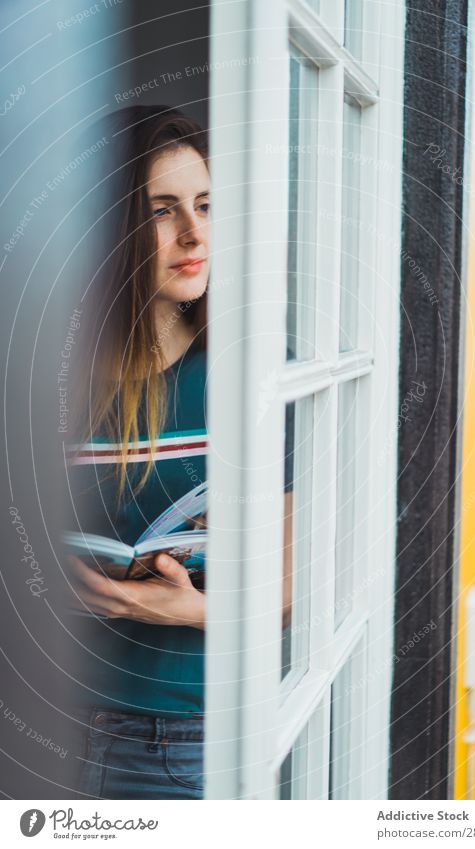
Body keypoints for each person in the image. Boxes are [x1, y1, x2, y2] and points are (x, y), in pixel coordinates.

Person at [64, 105, 293, 800]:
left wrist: (174, 608)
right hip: (41, 710)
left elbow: (284, 594)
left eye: (205, 204)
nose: (195, 233)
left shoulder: (252, 373)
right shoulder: (47, 377)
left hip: (173, 739)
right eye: (163, 210)